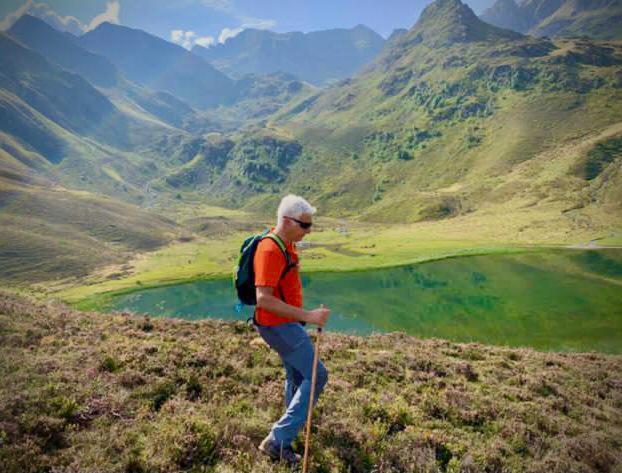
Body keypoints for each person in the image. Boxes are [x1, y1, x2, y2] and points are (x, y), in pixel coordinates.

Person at [254, 194, 330, 465]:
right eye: (304, 226)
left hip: (287, 325)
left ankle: (286, 435)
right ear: (287, 221)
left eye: (310, 226)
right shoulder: (271, 250)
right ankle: (278, 439)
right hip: (278, 326)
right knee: (317, 375)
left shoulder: (286, 245)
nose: (308, 232)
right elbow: (263, 298)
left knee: (298, 376)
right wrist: (309, 316)